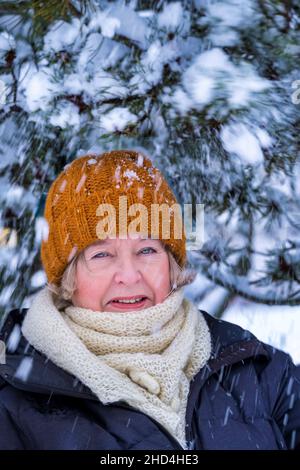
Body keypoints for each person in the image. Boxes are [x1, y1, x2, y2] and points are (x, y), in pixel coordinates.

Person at [0, 149, 299, 450]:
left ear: (172, 265)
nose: (129, 276)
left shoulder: (255, 368)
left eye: (147, 250)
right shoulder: (13, 402)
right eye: (101, 254)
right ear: (67, 277)